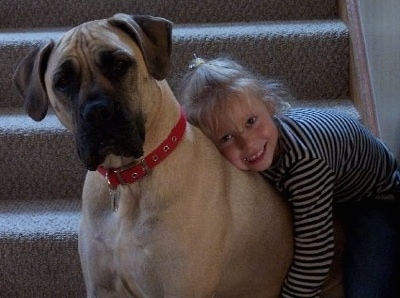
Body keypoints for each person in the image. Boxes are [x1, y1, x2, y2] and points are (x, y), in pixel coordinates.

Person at [178, 56, 400, 298]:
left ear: (271, 105)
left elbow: (316, 249)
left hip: (373, 196)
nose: (248, 143)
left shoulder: (305, 163)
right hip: (331, 174)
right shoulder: (262, 149)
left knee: (368, 289)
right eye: (226, 138)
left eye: (251, 122)